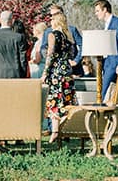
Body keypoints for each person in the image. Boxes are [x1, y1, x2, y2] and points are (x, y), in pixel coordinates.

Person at [41, 12, 77, 142]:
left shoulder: (53, 35)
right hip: (66, 72)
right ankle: (64, 131)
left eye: (52, 20)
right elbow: (72, 55)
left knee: (54, 102)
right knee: (66, 101)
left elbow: (50, 56)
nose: (50, 22)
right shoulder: (68, 38)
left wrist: (45, 72)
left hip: (56, 73)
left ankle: (55, 131)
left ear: (56, 21)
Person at [40, 4, 84, 77]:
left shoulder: (71, 30)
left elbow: (83, 45)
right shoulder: (48, 32)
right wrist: (51, 60)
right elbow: (43, 48)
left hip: (73, 70)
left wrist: (76, 61)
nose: (53, 17)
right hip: (55, 69)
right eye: (51, 15)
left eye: (56, 14)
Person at [0, 11, 27, 79]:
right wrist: (23, 74)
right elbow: (23, 59)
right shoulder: (19, 37)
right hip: (15, 74)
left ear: (0, 20)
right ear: (12, 21)